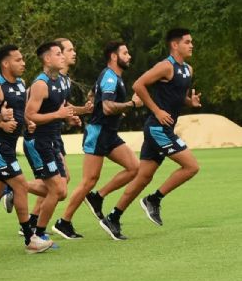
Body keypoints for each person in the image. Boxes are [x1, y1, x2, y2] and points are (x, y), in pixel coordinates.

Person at [104, 28, 200, 237]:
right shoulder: (165, 66)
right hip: (157, 129)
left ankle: (113, 217)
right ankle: (153, 199)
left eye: (191, 42)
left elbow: (176, 95)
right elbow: (139, 85)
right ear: (175, 45)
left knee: (143, 177)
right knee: (191, 166)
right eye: (187, 42)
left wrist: (189, 102)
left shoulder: (188, 69)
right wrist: (156, 110)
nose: (191, 45)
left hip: (163, 128)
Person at [54, 41, 142, 240]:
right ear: (113, 56)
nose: (129, 57)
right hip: (98, 132)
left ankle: (97, 197)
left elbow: (94, 95)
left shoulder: (113, 77)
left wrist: (94, 99)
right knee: (89, 180)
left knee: (134, 167)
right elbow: (108, 107)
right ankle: (63, 222)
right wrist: (132, 104)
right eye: (125, 53)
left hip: (109, 133)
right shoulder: (110, 77)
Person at [0, 44, 53, 253]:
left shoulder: (22, 83)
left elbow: (19, 110)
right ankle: (30, 239)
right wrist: (0, 123)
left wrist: (26, 122)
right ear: (5, 64)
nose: (23, 63)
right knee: (21, 186)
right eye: (18, 60)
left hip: (9, 146)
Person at [22, 41, 74, 244]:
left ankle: (17, 187)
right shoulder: (40, 84)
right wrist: (58, 114)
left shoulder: (60, 81)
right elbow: (30, 115)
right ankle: (38, 234)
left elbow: (61, 109)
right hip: (40, 142)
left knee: (62, 186)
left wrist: (73, 115)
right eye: (58, 53)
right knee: (58, 190)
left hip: (53, 140)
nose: (63, 57)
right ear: (47, 59)